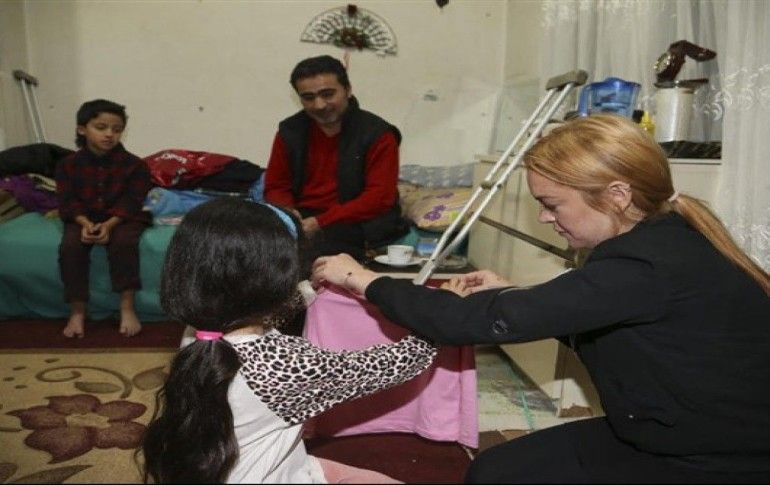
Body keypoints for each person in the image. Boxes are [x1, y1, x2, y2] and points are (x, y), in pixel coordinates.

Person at [311, 114, 770, 483]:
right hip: (672, 433)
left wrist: (362, 278)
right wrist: (513, 294)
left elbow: (468, 322)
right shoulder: (661, 242)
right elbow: (594, 316)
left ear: (617, 195)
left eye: (552, 204)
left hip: (714, 459)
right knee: (495, 471)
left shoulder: (643, 265)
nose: (545, 217)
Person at [140, 197, 437, 484]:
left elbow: (254, 321)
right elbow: (393, 365)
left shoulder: (199, 332)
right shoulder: (284, 365)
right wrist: (438, 314)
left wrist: (308, 290)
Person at [263, 54, 409, 261]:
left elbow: (379, 197)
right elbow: (276, 185)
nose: (319, 105)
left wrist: (320, 222)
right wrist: (288, 213)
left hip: (358, 222)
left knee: (320, 250)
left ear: (347, 90)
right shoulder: (290, 131)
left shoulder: (377, 133)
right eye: (308, 97)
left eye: (328, 94)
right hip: (304, 219)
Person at [55, 99, 152, 338]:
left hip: (122, 218)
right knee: (70, 247)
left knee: (124, 243)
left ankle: (127, 308)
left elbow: (132, 200)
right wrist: (84, 223)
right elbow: (67, 200)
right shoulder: (67, 165)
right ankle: (78, 312)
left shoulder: (135, 165)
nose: (109, 134)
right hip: (82, 217)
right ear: (82, 129)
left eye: (116, 129)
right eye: (101, 127)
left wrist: (110, 224)